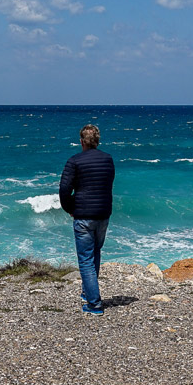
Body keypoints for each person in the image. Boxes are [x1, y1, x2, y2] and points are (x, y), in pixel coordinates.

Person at [59, 124, 115, 315]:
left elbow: (65, 190)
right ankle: (88, 292)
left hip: (83, 215)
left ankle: (94, 303)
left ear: (81, 141)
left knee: (85, 259)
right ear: (97, 141)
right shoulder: (108, 160)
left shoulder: (74, 161)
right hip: (103, 214)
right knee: (95, 253)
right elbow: (107, 185)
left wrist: (70, 209)